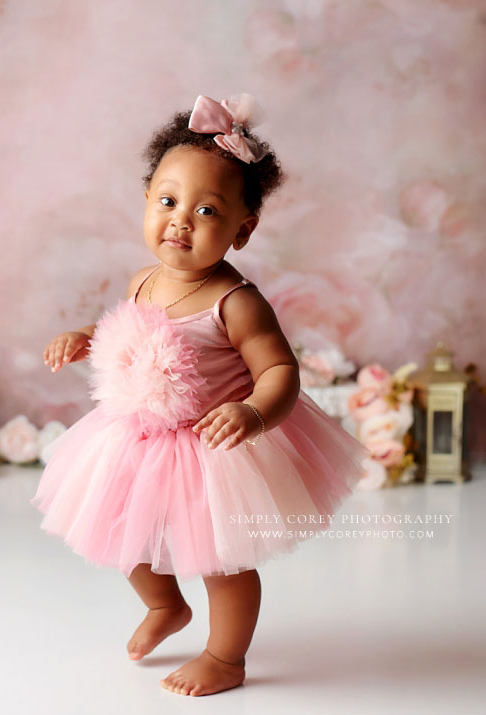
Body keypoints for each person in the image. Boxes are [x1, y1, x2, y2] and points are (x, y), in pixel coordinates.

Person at [31, 93, 371, 698]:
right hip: (136, 438)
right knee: (120, 532)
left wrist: (254, 410)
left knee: (223, 562)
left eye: (207, 210)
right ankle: (166, 606)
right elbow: (125, 326)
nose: (180, 220)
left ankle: (226, 657)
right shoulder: (143, 280)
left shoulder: (235, 301)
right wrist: (83, 337)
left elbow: (281, 372)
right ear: (145, 203)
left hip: (211, 449)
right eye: (167, 201)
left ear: (244, 229)